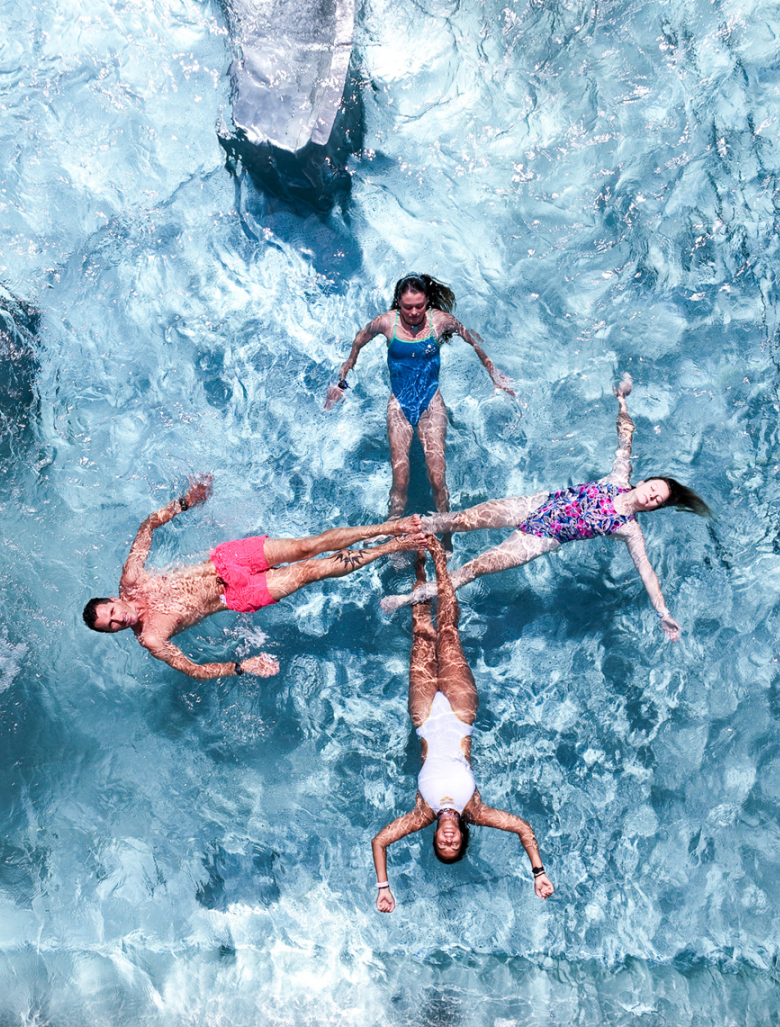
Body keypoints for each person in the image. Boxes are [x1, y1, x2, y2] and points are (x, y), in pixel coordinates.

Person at [379, 375, 711, 641]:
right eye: (654, 488)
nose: (652, 496)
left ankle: (408, 599)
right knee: (459, 519)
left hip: (540, 538)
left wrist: (663, 614)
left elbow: (647, 574)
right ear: (644, 483)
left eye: (658, 500)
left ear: (653, 508)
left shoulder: (629, 529)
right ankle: (392, 535)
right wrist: (622, 399)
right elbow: (626, 436)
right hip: (536, 504)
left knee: (474, 570)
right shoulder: (620, 475)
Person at [83, 474, 423, 680]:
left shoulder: (131, 580)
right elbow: (195, 670)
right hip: (236, 596)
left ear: (113, 600)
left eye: (112, 613)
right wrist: (241, 666)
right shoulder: (152, 639)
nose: (119, 620)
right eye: (111, 626)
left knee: (309, 546)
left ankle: (390, 527)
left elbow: (147, 526)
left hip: (227, 560)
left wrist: (187, 501)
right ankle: (391, 545)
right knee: (310, 571)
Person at [371, 534, 555, 912]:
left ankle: (420, 560)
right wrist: (538, 872)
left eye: (443, 844)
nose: (449, 840)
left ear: (436, 837)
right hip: (459, 712)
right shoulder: (477, 810)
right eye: (455, 845)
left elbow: (380, 841)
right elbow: (522, 827)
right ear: (463, 838)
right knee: (449, 631)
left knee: (422, 632)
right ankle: (440, 554)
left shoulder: (423, 813)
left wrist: (383, 886)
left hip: (423, 717)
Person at [325, 273, 515, 519]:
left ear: (427, 302)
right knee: (400, 481)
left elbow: (472, 340)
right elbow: (358, 343)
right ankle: (394, 530)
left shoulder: (439, 321)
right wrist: (341, 382)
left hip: (431, 403)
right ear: (398, 302)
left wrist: (494, 373)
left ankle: (445, 532)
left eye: (419, 306)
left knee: (437, 478)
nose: (414, 312)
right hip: (399, 405)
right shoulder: (386, 323)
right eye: (407, 307)